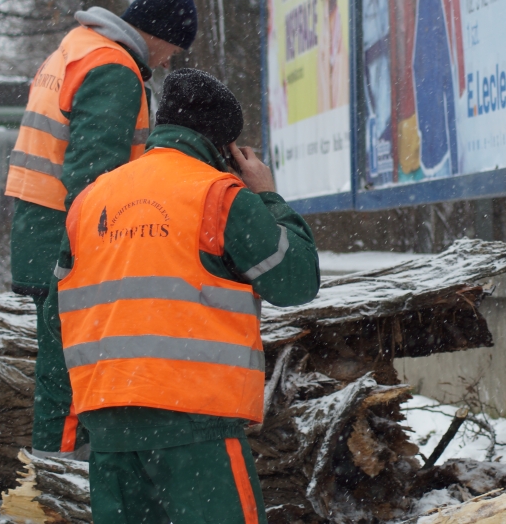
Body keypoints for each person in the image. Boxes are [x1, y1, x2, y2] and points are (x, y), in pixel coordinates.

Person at [41, 68, 320, 523]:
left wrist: (64, 427)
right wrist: (269, 196)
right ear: (227, 148)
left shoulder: (90, 201)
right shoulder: (220, 196)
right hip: (196, 424)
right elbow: (296, 281)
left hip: (110, 426)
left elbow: (56, 319)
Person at [5, 0, 199, 459]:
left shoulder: (75, 48)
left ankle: (53, 481)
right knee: (74, 374)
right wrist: (105, 249)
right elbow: (94, 178)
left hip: (40, 232)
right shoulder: (113, 68)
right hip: (69, 241)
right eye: (175, 46)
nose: (171, 60)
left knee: (60, 371)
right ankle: (58, 489)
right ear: (158, 33)